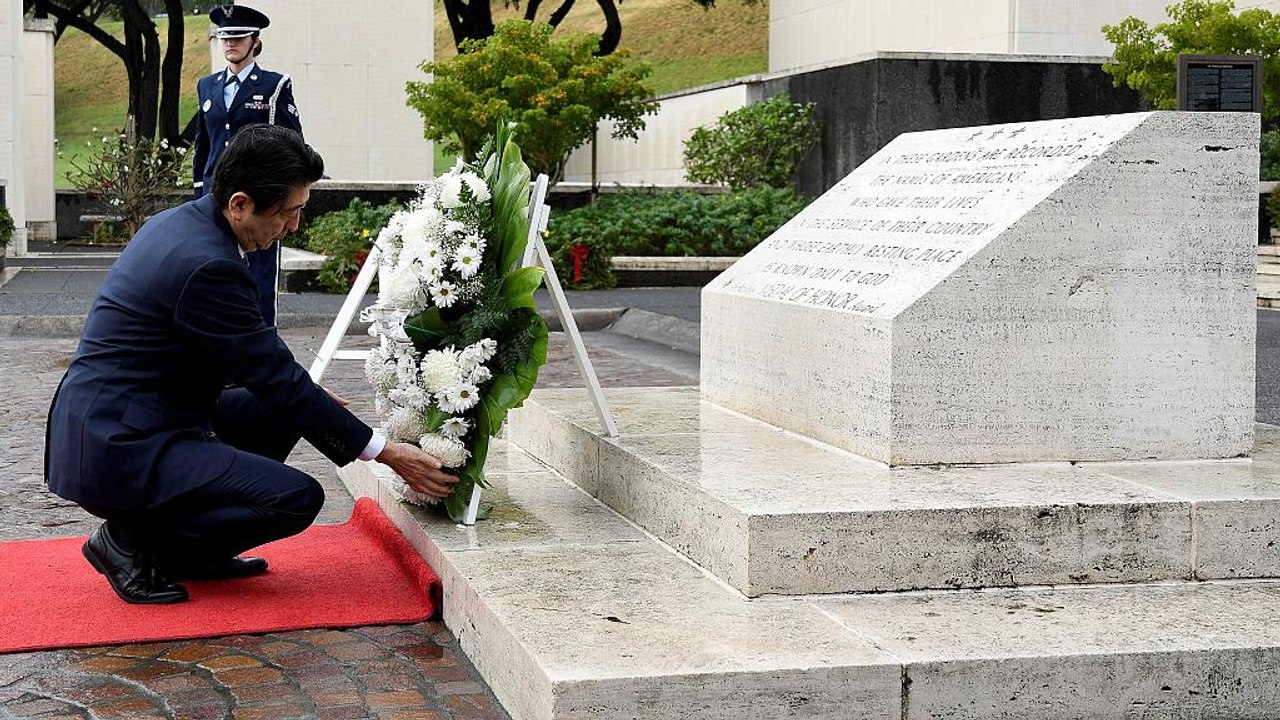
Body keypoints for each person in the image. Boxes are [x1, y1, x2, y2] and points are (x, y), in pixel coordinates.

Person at [44, 125, 457, 605]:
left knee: (285, 412)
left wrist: (309, 401)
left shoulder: (184, 225)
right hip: (121, 445)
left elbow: (238, 359)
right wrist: (386, 454)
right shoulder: (207, 264)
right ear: (240, 204)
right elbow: (274, 377)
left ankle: (193, 552)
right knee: (295, 497)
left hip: (131, 417)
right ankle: (129, 541)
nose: (294, 226)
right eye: (288, 212)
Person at [192, 3, 301, 326]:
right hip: (216, 196)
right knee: (214, 272)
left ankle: (262, 341)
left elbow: (292, 143)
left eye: (238, 37)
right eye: (225, 37)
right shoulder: (207, 86)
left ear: (255, 41)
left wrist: (285, 198)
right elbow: (203, 146)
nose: (230, 43)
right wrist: (199, 193)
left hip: (259, 198)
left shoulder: (274, 85)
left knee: (259, 276)